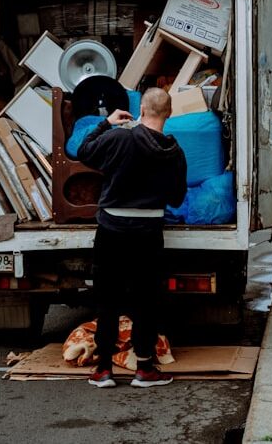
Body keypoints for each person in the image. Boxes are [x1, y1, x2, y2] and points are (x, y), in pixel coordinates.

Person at [76, 87, 188, 389]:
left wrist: (106, 123)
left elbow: (83, 151)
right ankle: (144, 369)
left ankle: (103, 370)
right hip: (149, 232)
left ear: (141, 110)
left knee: (108, 299)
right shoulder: (174, 152)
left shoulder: (118, 138)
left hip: (111, 230)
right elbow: (177, 199)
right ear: (169, 113)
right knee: (146, 301)